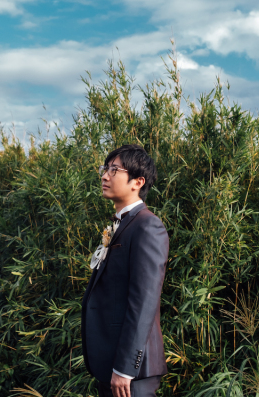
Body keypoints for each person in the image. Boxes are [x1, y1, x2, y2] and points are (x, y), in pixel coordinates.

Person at [81, 144, 169, 397]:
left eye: (114, 170)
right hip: (110, 361)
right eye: (105, 169)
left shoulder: (147, 226)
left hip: (132, 372)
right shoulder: (122, 225)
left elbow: (144, 301)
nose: (105, 176)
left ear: (137, 182)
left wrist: (125, 369)